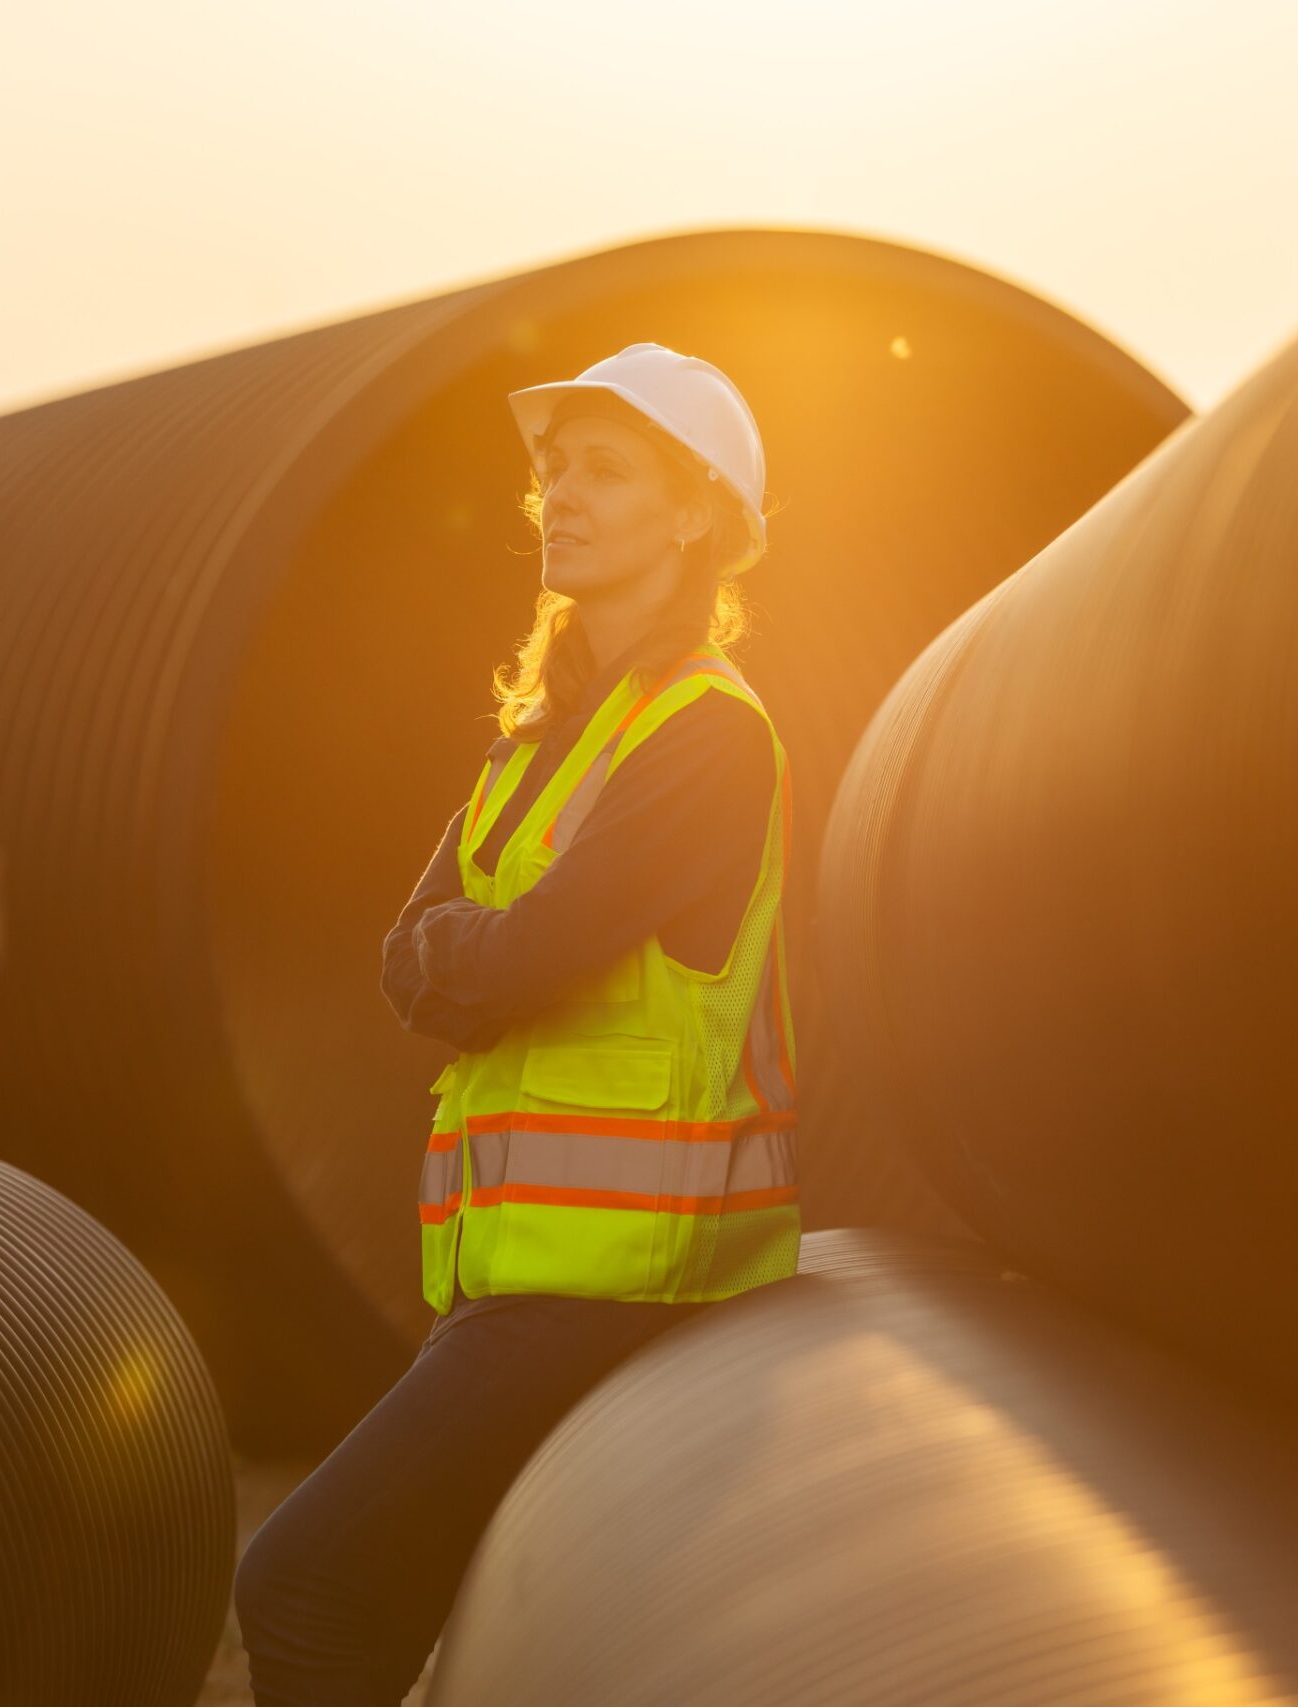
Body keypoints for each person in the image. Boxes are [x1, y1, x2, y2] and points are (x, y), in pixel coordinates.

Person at [232, 342, 802, 1705]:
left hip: (621, 1280)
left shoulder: (705, 737)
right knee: (383, 1621)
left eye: (606, 470)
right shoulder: (539, 741)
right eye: (553, 473)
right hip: (518, 1278)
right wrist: (469, 959)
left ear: (694, 514)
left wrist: (470, 959)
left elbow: (504, 966)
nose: (563, 496)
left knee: (298, 1580)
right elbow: (410, 961)